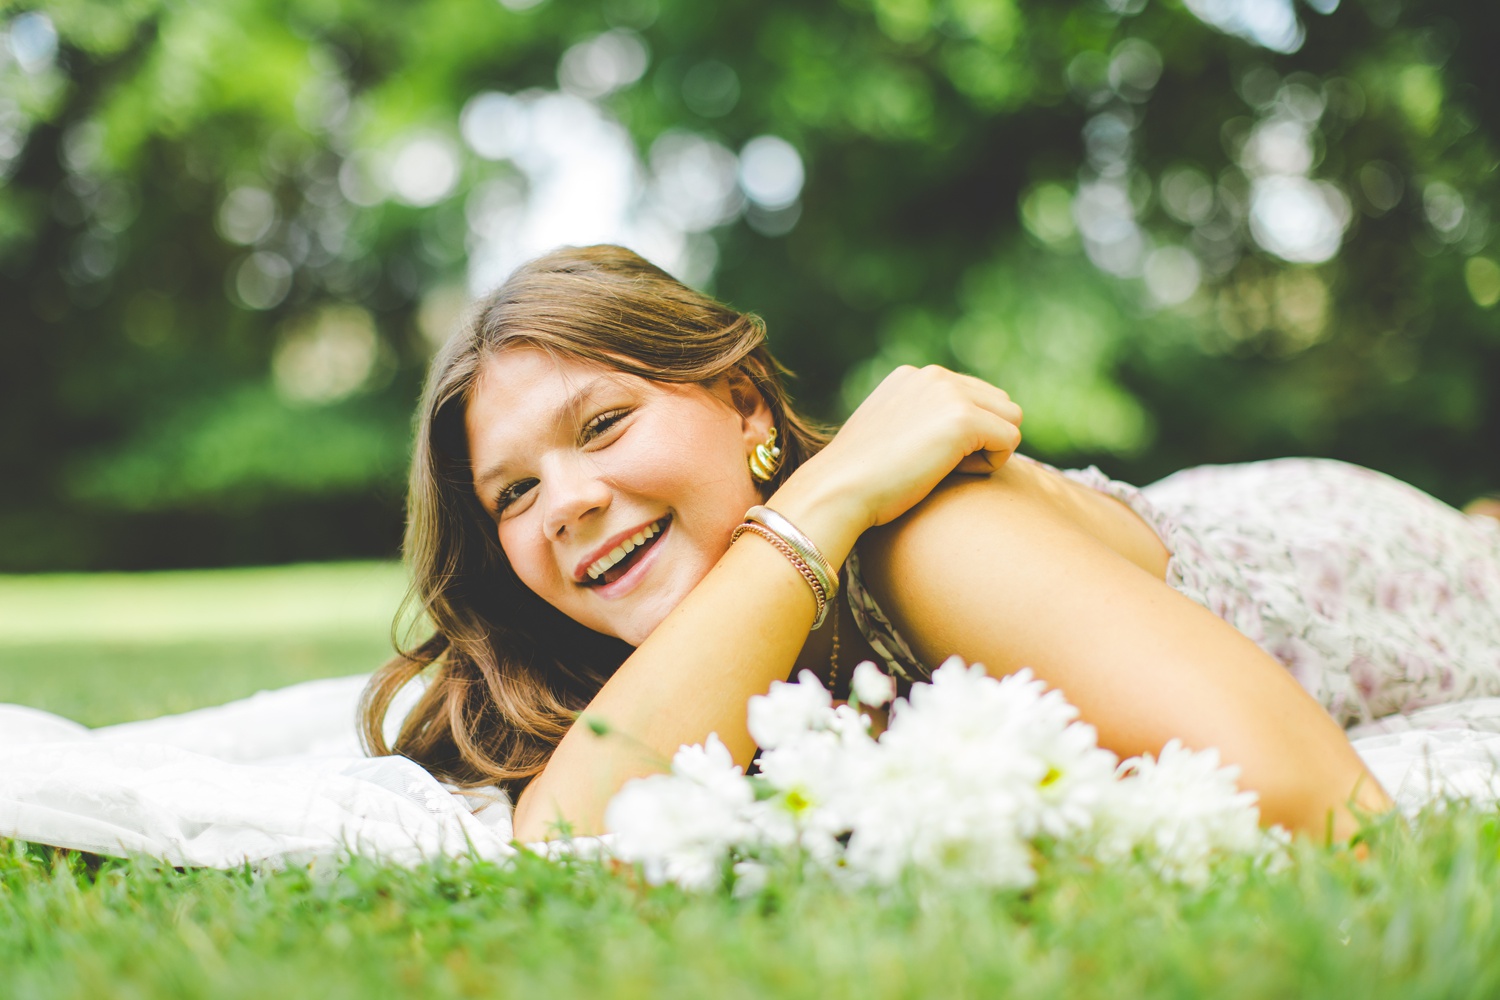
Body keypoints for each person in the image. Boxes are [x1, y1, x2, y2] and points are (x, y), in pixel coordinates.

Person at [360, 244, 1500, 846]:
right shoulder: (641, 663)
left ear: (747, 405)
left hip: (1346, 542)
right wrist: (816, 505)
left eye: (604, 424)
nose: (564, 500)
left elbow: (1319, 801)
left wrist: (833, 501)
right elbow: (567, 828)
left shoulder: (930, 542)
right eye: (511, 494)